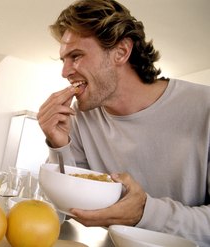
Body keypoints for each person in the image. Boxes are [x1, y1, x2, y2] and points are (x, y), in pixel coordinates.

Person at [37, 0, 210, 245]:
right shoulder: (82, 116)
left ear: (121, 52)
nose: (65, 72)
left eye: (75, 56)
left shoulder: (205, 107)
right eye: (63, 59)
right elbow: (66, 209)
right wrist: (59, 145)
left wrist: (145, 213)